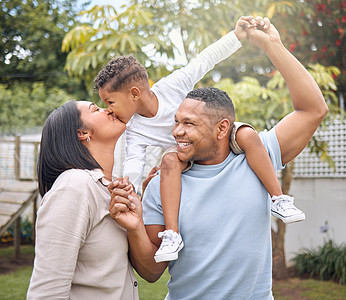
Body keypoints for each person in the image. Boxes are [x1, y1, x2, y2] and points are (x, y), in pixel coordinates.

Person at [107, 17, 328, 299]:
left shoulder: (257, 159)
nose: (176, 132)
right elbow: (151, 273)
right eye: (176, 122)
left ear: (222, 128)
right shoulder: (162, 184)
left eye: (189, 123)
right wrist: (135, 226)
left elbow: (313, 109)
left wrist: (273, 46)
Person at [27, 100, 139, 299]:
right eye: (96, 109)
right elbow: (46, 292)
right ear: (82, 132)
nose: (108, 109)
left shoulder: (108, 187)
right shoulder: (74, 186)